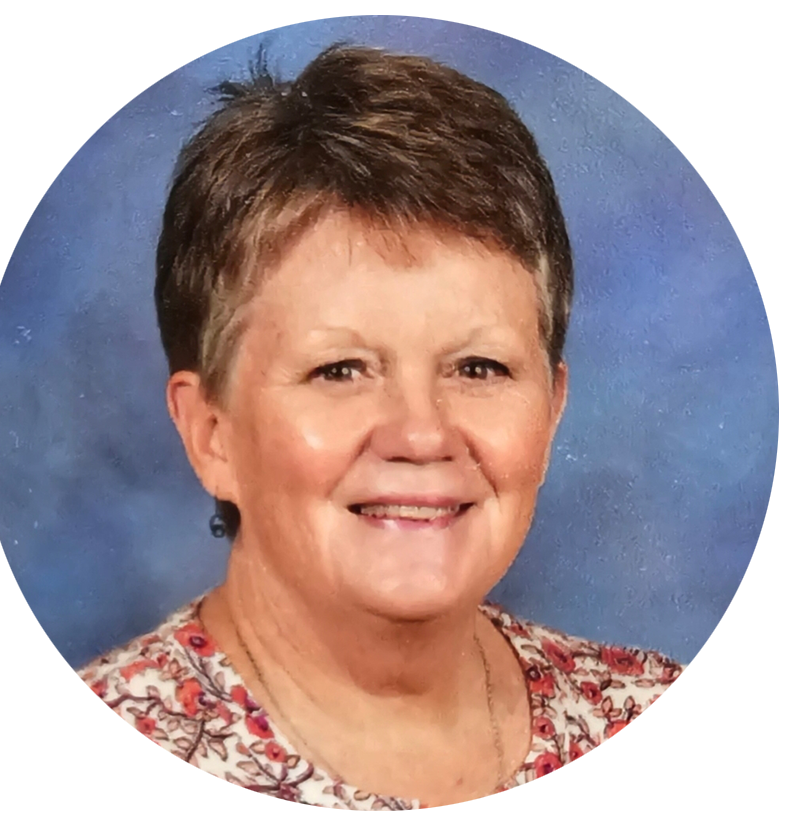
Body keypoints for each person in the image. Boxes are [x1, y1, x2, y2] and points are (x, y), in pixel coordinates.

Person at [76, 43, 695, 820]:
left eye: (479, 368)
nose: (421, 433)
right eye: (340, 369)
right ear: (212, 434)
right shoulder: (88, 767)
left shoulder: (669, 733)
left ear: (553, 405)